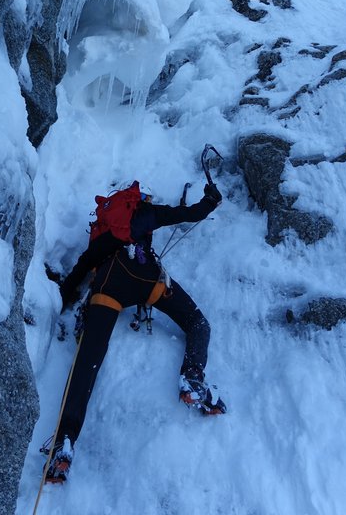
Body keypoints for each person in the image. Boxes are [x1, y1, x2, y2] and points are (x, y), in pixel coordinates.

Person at [44, 179, 225, 483]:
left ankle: (64, 443)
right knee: (197, 323)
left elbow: (79, 271)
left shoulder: (102, 235)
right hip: (146, 277)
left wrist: (57, 300)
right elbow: (188, 214)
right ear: (139, 198)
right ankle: (192, 376)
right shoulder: (144, 212)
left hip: (108, 285)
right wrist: (210, 201)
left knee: (87, 363)